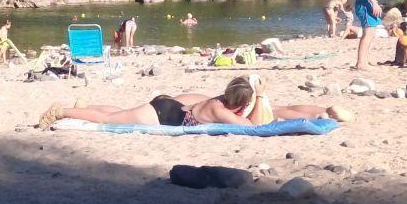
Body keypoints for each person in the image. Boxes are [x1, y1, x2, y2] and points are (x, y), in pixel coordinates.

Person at [37, 77, 348, 129]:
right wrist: (262, 98)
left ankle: (85, 105)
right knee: (111, 120)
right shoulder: (220, 111)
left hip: (171, 104)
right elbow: (253, 126)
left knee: (120, 112)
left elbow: (269, 114)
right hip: (163, 114)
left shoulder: (220, 100)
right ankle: (62, 111)